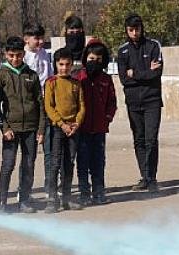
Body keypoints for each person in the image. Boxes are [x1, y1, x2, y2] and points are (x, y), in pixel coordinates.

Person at [0, 36, 45, 213]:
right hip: (11, 130)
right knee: (8, 165)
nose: (15, 59)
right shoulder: (1, 75)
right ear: (6, 54)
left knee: (28, 164)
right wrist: (4, 127)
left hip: (30, 128)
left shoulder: (32, 75)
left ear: (24, 54)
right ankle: (2, 203)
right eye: (11, 55)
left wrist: (41, 129)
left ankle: (24, 199)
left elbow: (40, 104)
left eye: (19, 55)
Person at [117, 13, 163, 193]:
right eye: (131, 30)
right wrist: (144, 73)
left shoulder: (153, 46)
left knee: (151, 139)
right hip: (133, 102)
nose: (134, 33)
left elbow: (156, 74)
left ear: (142, 28)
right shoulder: (122, 51)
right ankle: (144, 176)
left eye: (137, 29)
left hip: (152, 100)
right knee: (139, 139)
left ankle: (152, 178)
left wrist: (134, 73)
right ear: (126, 31)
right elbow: (123, 79)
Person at [75, 39, 117, 206]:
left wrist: (107, 118)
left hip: (99, 129)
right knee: (83, 162)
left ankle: (99, 192)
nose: (95, 62)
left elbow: (112, 102)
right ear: (86, 58)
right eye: (91, 59)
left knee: (98, 162)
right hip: (82, 128)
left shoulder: (106, 79)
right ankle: (84, 193)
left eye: (99, 60)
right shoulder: (78, 77)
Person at [43, 48, 85, 213]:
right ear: (55, 64)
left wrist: (77, 123)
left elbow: (82, 105)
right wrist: (61, 123)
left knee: (69, 163)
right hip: (58, 128)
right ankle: (52, 199)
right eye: (61, 64)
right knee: (55, 163)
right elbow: (49, 106)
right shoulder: (51, 82)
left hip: (73, 129)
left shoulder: (76, 83)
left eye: (68, 64)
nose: (64, 68)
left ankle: (66, 197)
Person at [23, 22, 54, 199]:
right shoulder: (22, 57)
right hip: (30, 109)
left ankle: (50, 188)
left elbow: (49, 78)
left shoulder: (45, 55)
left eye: (42, 38)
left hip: (46, 106)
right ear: (26, 39)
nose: (40, 41)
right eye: (37, 38)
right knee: (29, 154)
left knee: (49, 151)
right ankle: (25, 192)